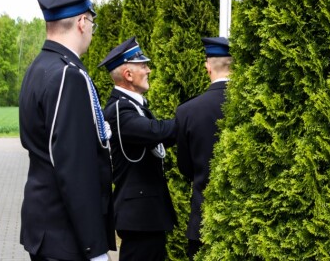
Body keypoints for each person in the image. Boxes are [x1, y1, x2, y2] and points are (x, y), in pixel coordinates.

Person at [19, 0, 116, 261]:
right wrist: (94, 248)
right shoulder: (68, 75)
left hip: (45, 225)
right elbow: (75, 167)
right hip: (66, 235)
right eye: (92, 24)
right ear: (83, 22)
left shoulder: (39, 67)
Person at [99, 37, 177, 261]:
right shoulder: (119, 110)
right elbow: (155, 131)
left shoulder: (134, 106)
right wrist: (191, 117)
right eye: (143, 65)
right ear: (128, 75)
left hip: (146, 216)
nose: (149, 70)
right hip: (139, 218)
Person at [175, 37, 232, 260]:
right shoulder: (255, 105)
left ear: (207, 66)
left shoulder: (187, 111)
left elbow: (185, 167)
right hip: (248, 219)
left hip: (203, 217)